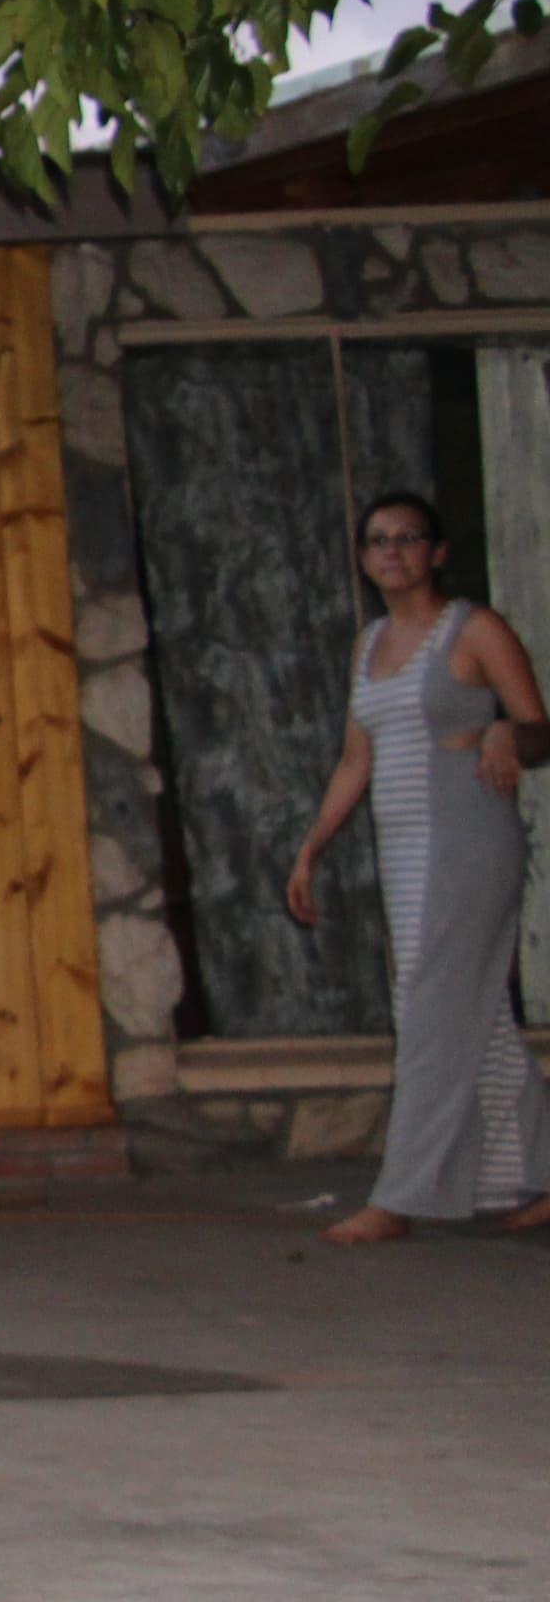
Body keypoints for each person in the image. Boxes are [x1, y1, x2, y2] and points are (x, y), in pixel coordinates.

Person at [285, 490, 550, 1243]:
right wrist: (311, 847)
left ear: (435, 551)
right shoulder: (367, 644)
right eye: (378, 540)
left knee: (430, 1014)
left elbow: (540, 730)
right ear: (365, 559)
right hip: (403, 848)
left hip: (467, 839)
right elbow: (355, 758)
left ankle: (399, 1197)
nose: (392, 551)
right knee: (473, 1015)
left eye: (409, 538)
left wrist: (508, 733)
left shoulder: (473, 629)